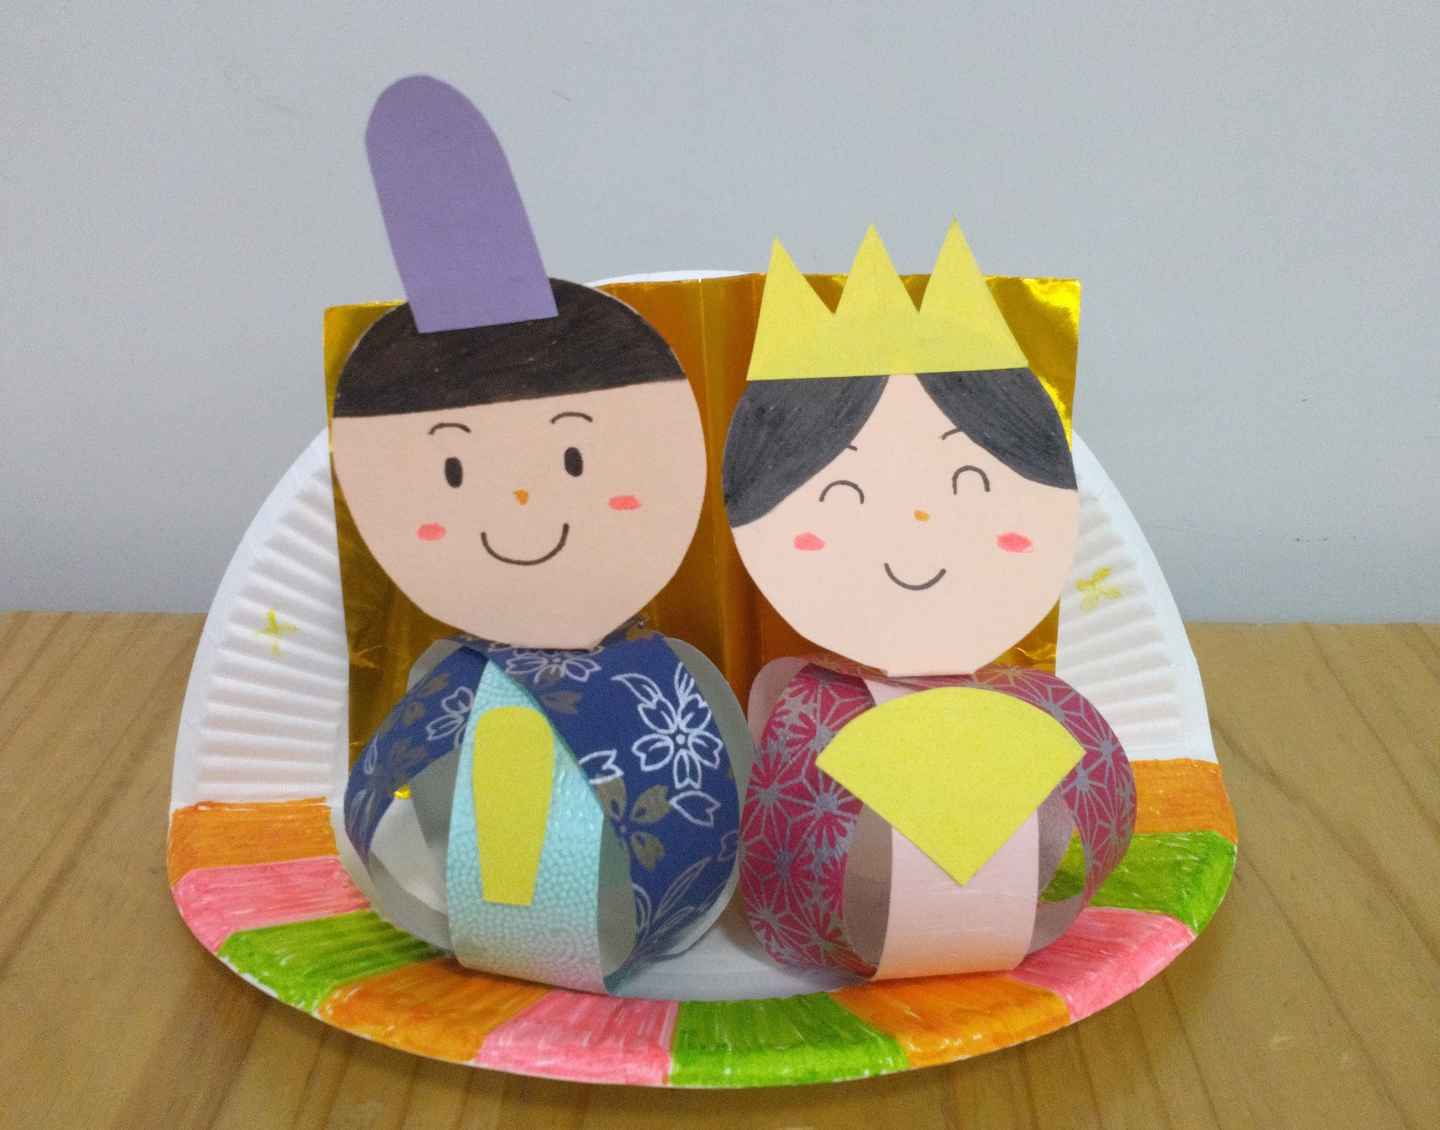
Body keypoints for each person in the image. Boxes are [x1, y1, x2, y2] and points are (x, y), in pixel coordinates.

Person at [335, 77, 749, 994]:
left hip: (653, 900)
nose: (521, 496)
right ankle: (523, 927)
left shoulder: (653, 679)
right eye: (452, 469)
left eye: (571, 458)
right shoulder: (462, 682)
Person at [722, 224, 1135, 978]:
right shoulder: (811, 716)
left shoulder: (1035, 717)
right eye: (845, 492)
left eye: (969, 481)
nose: (916, 519)